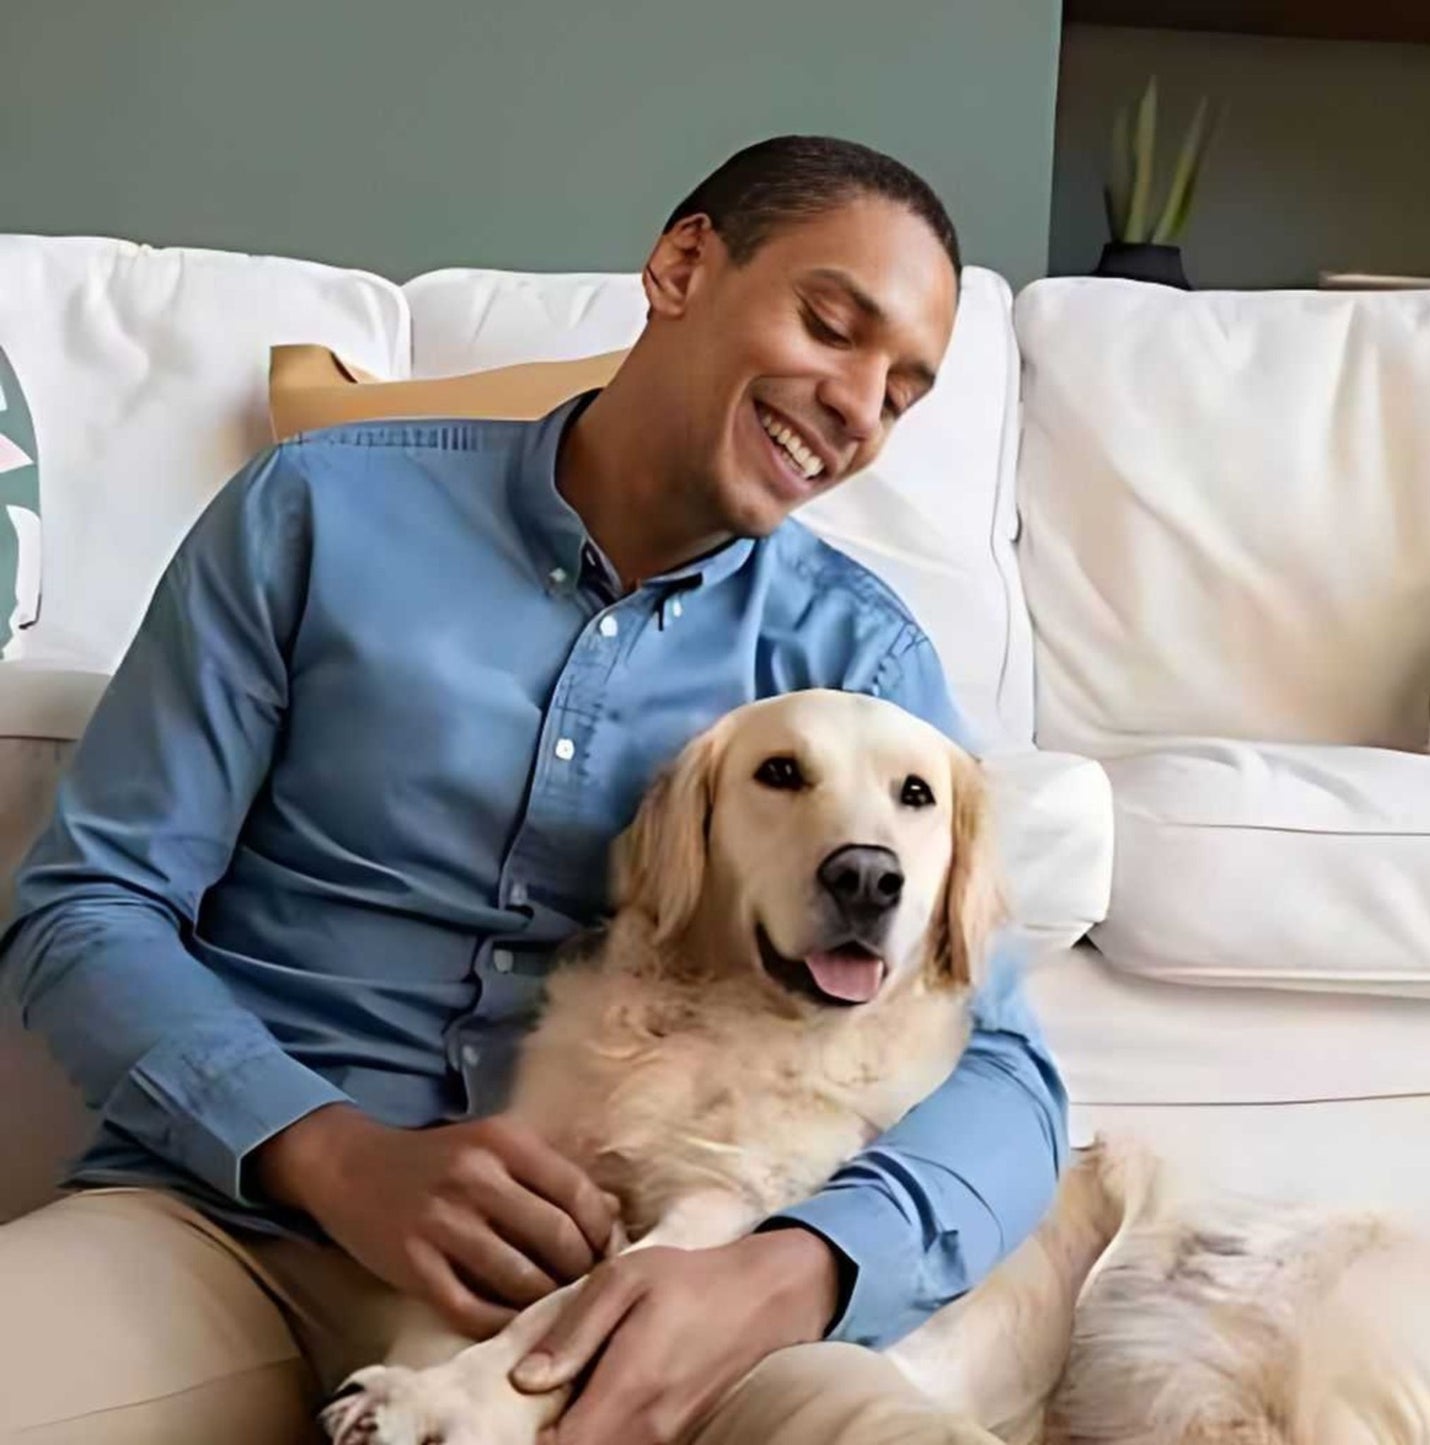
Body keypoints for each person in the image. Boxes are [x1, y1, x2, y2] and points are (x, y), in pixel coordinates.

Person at [0, 135, 1066, 1445]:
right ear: (681, 265)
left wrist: (789, 1269)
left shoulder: (859, 666)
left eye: (902, 392)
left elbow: (1007, 1071)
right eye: (829, 326)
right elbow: (87, 904)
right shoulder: (315, 514)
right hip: (234, 1234)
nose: (856, 405)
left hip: (644, 1284)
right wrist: (332, 1153)